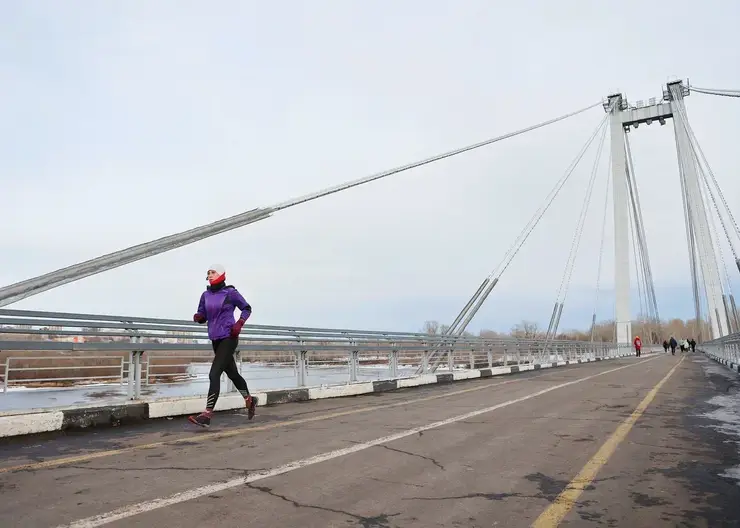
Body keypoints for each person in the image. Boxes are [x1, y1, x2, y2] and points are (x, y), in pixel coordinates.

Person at [188, 264, 257, 428]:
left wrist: (240, 323)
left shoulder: (230, 292)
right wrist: (199, 317)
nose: (210, 275)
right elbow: (203, 314)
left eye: (213, 272)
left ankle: (207, 415)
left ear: (221, 274)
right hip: (215, 339)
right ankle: (249, 399)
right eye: (208, 273)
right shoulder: (205, 295)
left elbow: (246, 308)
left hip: (229, 336)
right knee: (232, 373)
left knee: (214, 374)